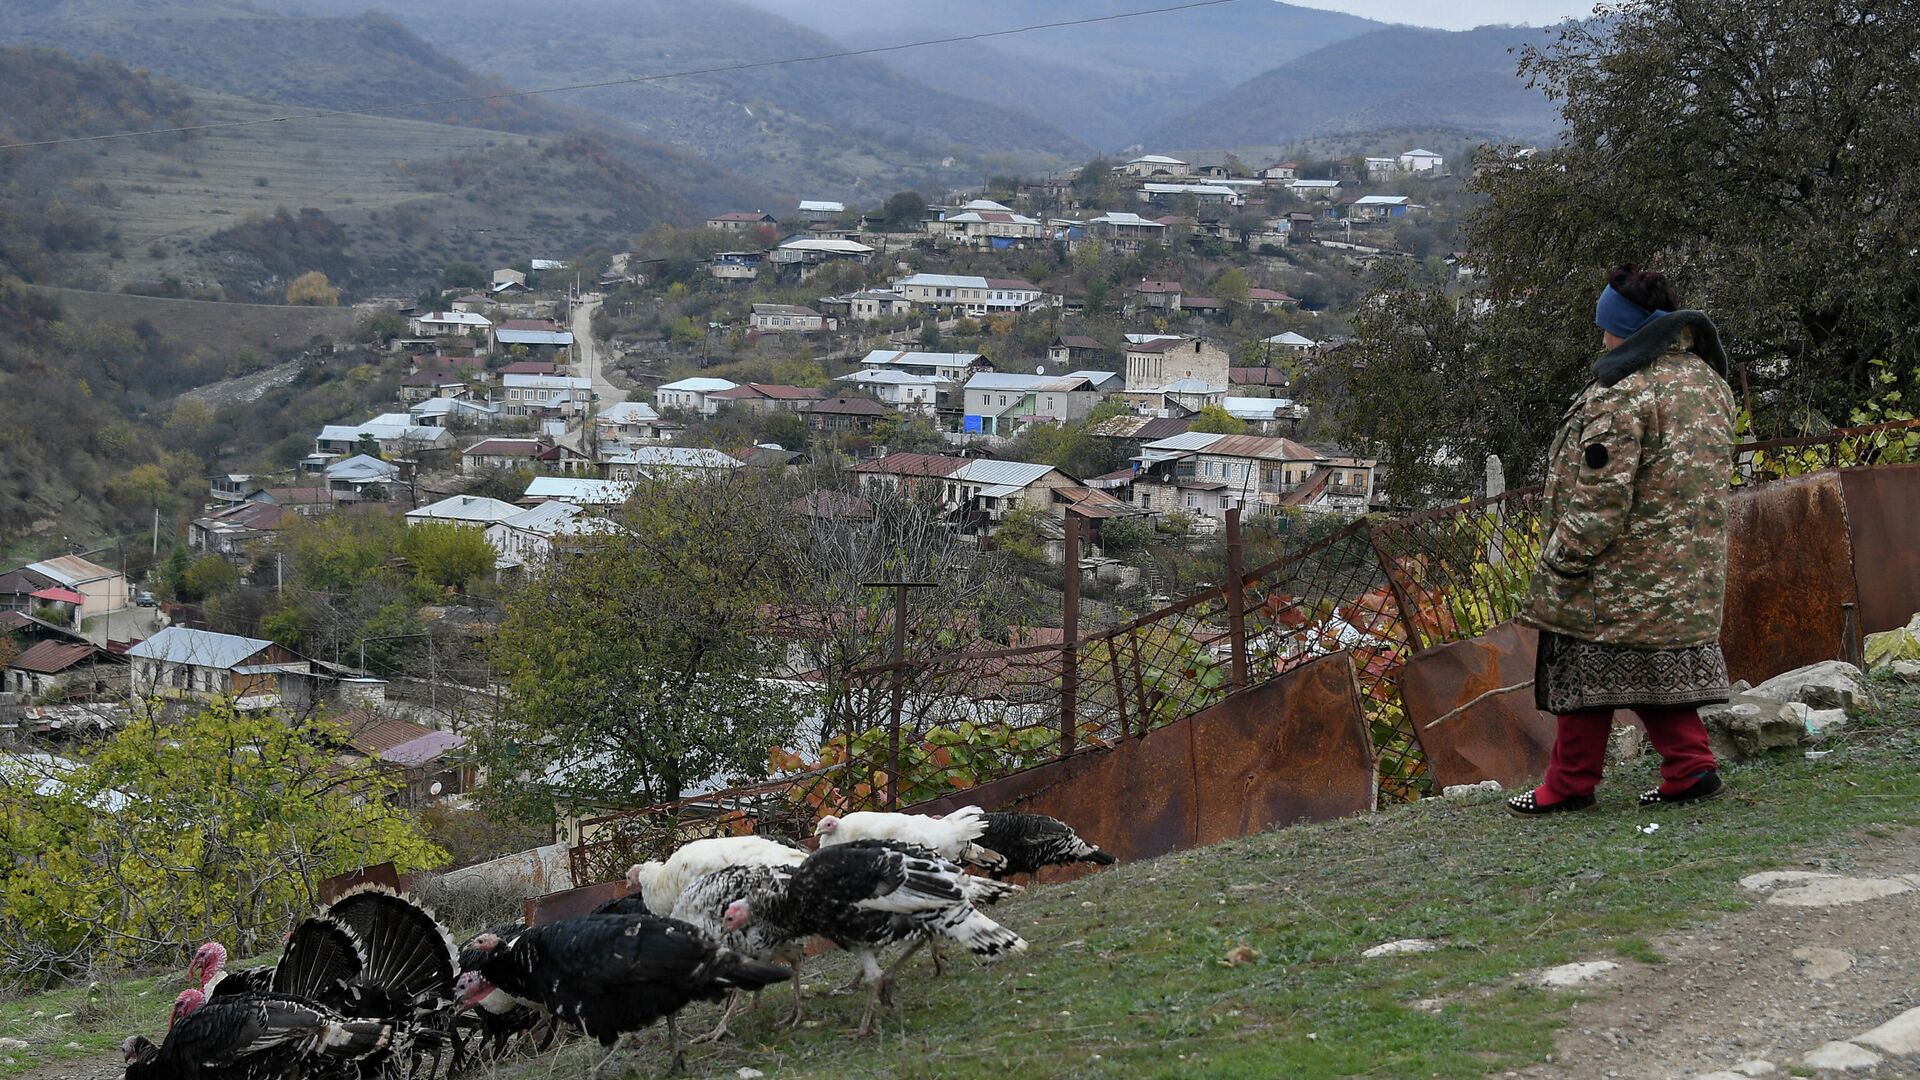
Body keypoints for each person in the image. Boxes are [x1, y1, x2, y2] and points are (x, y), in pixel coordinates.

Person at [1507, 265, 1738, 817]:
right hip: (1688, 564)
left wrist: (1563, 559)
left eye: (1607, 328)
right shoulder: (1708, 382)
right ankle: (1690, 766)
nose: (1603, 339)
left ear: (1629, 330)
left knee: (1584, 664)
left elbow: (1601, 499)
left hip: (1621, 571)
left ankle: (1568, 785)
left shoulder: (1625, 393)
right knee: (1646, 666)